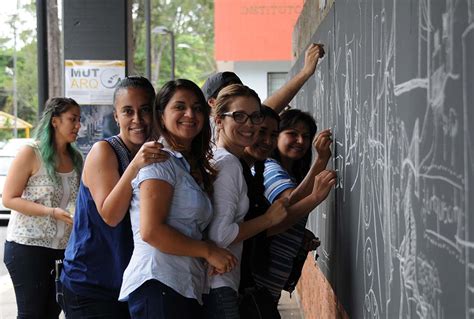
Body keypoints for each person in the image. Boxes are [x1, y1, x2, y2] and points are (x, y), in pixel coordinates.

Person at [119, 79, 237, 319]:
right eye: (179, 107)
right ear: (161, 116)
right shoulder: (159, 160)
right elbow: (151, 231)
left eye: (196, 107)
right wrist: (208, 251)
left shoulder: (188, 163)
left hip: (183, 284)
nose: (190, 114)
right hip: (158, 282)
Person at [59, 76, 167, 318]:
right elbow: (111, 215)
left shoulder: (155, 153)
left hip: (128, 283)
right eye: (128, 111)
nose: (137, 119)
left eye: (145, 110)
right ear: (116, 116)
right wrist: (135, 166)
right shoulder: (104, 151)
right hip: (90, 284)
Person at [203, 84, 288, 319]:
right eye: (239, 116)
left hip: (223, 283)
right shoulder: (227, 164)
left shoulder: (228, 160)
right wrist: (268, 219)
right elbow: (220, 235)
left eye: (255, 116)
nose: (249, 124)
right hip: (219, 286)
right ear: (219, 120)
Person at [3, 97, 83, 319]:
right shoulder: (30, 153)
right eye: (72, 119)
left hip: (62, 249)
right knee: (32, 314)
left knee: (51, 312)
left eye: (79, 119)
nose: (78, 125)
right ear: (55, 121)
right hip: (27, 248)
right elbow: (9, 199)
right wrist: (51, 212)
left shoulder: (76, 158)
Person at [250, 108, 336, 306]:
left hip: (267, 285)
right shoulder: (270, 169)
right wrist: (321, 161)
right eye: (292, 134)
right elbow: (287, 207)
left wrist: (297, 234)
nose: (300, 141)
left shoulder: (290, 174)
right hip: (258, 284)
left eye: (306, 136)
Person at [202, 43, 325, 113]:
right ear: (212, 102)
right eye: (229, 94)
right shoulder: (212, 135)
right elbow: (268, 108)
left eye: (239, 91)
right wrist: (305, 72)